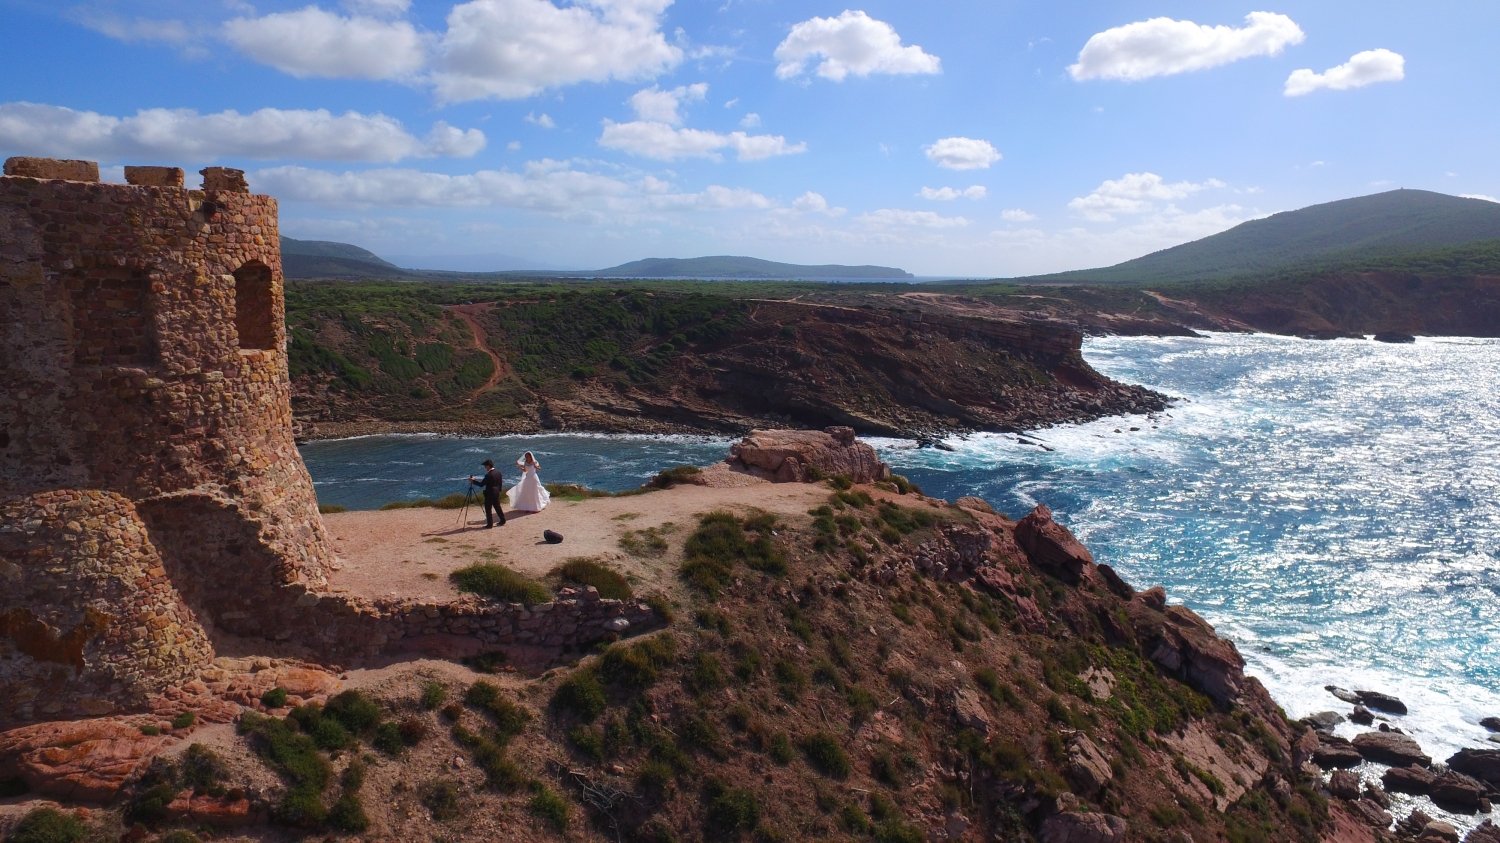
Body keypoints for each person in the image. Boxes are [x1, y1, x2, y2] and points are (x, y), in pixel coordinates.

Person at [469, 459, 505, 528]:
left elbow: (481, 484)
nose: (485, 467)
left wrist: (473, 481)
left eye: (485, 466)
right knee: (497, 507)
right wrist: (499, 491)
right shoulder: (498, 472)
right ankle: (503, 520)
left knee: (488, 509)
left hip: (489, 494)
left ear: (488, 466)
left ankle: (489, 525)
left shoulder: (488, 475)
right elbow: (500, 483)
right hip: (496, 492)